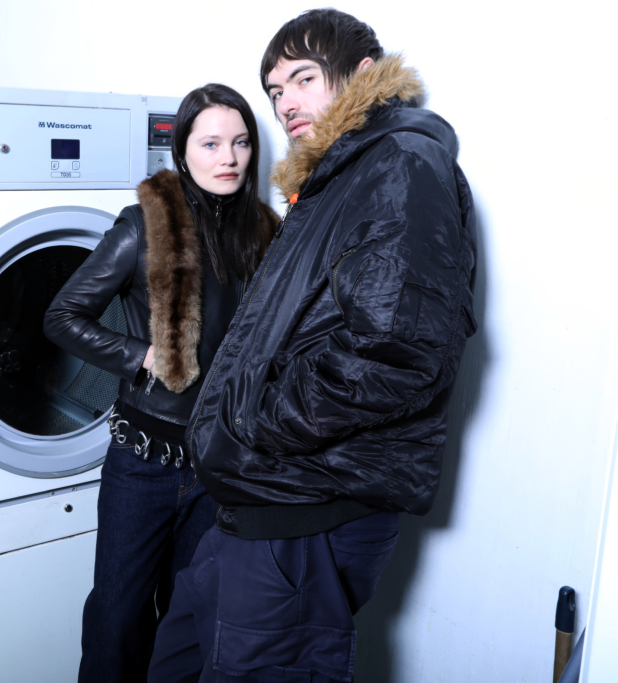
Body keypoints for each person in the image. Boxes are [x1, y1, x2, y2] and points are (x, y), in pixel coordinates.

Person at [148, 9, 478, 682]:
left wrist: (251, 420)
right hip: (262, 498)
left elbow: (395, 351)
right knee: (175, 660)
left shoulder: (401, 164)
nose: (286, 103)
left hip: (307, 508)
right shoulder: (336, 174)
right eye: (276, 90)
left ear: (363, 74)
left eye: (303, 78)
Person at [43, 84, 279, 683]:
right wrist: (143, 355)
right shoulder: (144, 227)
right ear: (183, 151)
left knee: (189, 620)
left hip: (219, 461)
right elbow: (62, 316)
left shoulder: (264, 231)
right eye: (211, 144)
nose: (229, 158)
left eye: (241, 143)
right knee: (117, 621)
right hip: (143, 460)